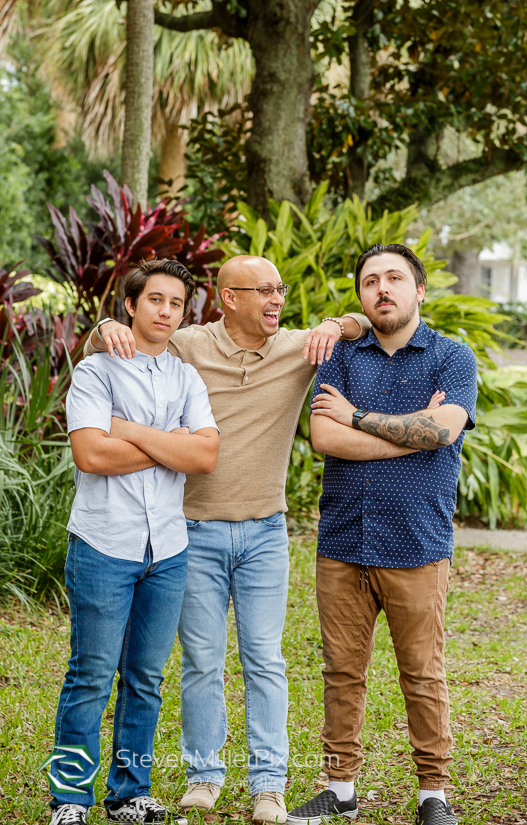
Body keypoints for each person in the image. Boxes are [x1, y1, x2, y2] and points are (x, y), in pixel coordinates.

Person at [84, 254, 371, 824]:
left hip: (265, 530)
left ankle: (269, 785)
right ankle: (204, 776)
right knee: (202, 661)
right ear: (229, 298)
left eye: (281, 289)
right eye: (263, 290)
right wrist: (103, 327)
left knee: (265, 659)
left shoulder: (298, 347)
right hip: (193, 530)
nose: (277, 299)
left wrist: (336, 326)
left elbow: (360, 321)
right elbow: (111, 350)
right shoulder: (188, 345)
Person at [286, 244, 478, 825]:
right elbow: (325, 438)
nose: (382, 289)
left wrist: (360, 419)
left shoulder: (452, 357)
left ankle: (432, 794)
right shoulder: (342, 357)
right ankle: (339, 786)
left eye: (395, 278)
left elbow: (443, 431)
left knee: (422, 672)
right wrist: (408, 434)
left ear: (419, 290)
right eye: (371, 281)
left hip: (417, 544)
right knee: (342, 671)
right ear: (362, 296)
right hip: (343, 542)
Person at [46, 259, 219, 825]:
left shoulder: (186, 378)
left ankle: (128, 792)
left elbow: (205, 456)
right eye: (155, 301)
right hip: (103, 542)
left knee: (145, 677)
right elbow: (91, 454)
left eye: (176, 303)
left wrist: (130, 430)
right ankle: (70, 800)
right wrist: (171, 442)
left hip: (166, 549)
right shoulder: (96, 373)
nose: (166, 311)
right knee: (91, 675)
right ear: (131, 305)